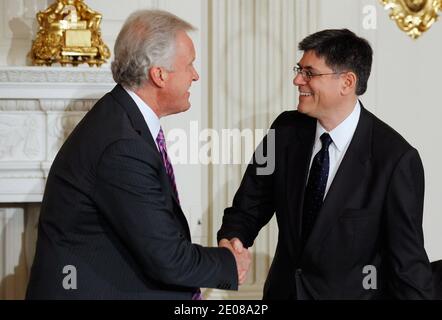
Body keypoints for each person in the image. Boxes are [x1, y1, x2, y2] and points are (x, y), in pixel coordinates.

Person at [26, 9, 250, 300]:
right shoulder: (122, 145)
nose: (195, 75)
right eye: (190, 65)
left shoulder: (122, 120)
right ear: (159, 74)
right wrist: (230, 263)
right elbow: (167, 257)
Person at [217, 29, 433, 299]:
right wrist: (233, 240)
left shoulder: (396, 160)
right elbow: (249, 205)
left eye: (309, 73)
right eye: (299, 70)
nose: (297, 80)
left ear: (347, 82)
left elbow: (407, 265)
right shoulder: (283, 131)